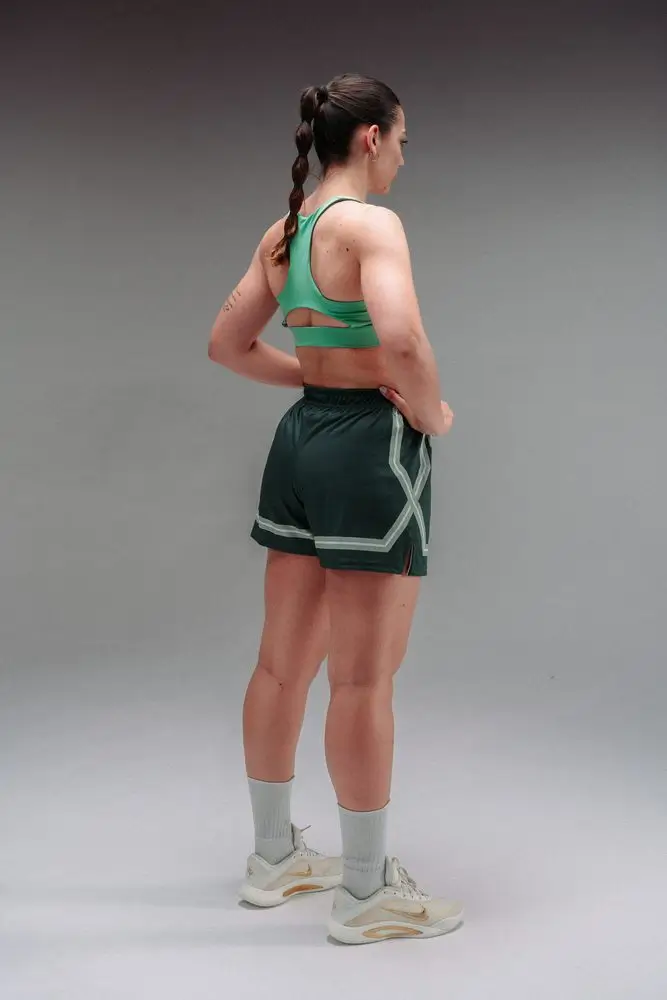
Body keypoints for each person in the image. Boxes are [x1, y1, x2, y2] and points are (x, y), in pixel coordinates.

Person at [208, 73, 463, 945]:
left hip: (299, 444)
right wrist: (428, 413)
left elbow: (227, 345)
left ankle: (273, 858)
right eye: (401, 141)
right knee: (362, 679)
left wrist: (315, 377)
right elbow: (402, 340)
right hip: (367, 453)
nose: (402, 159)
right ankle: (364, 893)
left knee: (280, 665)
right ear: (370, 137)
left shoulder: (285, 230)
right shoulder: (369, 224)